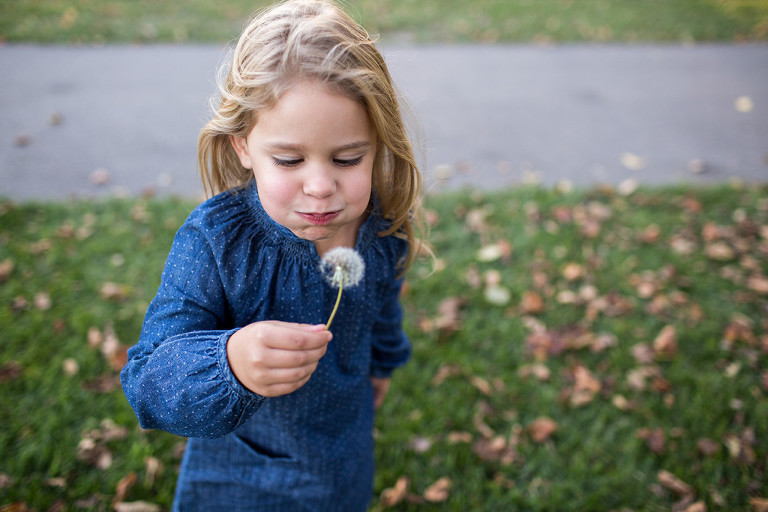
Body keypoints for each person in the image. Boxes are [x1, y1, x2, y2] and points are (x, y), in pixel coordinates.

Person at [120, 0, 426, 510]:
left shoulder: (383, 229)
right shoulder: (217, 241)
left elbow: (382, 311)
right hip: (237, 474)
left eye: (349, 158)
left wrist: (381, 368)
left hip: (340, 460)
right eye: (289, 159)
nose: (321, 186)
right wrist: (230, 362)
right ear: (243, 145)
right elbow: (147, 382)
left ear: (378, 142)